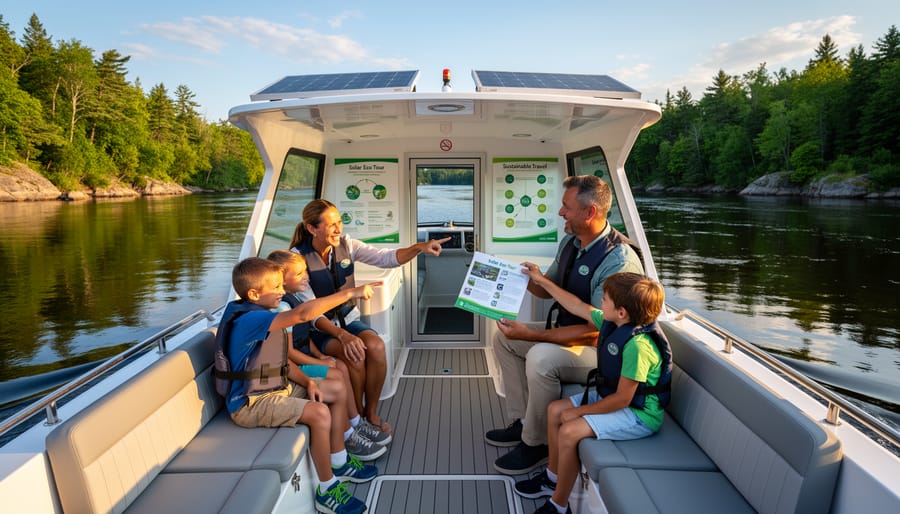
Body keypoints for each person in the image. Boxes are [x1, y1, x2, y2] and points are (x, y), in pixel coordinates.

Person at [486, 175, 645, 475]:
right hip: (571, 334)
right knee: (505, 338)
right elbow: (548, 288)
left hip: (602, 350)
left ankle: (537, 444)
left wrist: (534, 334)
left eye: (566, 207)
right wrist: (514, 277)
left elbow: (597, 329)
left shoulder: (618, 260)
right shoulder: (571, 243)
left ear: (589, 213)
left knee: (540, 357)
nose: (560, 213)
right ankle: (523, 424)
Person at [216, 257, 381, 514]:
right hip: (251, 403)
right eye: (276, 287)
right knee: (319, 412)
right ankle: (327, 490)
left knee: (335, 386)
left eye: (283, 285)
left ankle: (339, 460)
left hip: (277, 387)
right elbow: (304, 313)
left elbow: (279, 363)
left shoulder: (263, 314)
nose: (282, 291)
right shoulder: (251, 321)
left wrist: (307, 382)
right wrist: (351, 293)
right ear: (253, 293)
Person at [513, 271, 671, 514]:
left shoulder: (638, 347)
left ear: (622, 312)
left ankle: (559, 505)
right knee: (554, 410)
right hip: (612, 398)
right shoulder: (614, 322)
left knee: (568, 431)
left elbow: (623, 399)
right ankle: (552, 478)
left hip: (639, 415)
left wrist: (579, 412)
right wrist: (541, 280)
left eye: (605, 299)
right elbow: (576, 305)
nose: (601, 302)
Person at [290, 199, 451, 435]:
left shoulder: (347, 244)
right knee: (354, 354)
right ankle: (358, 421)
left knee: (375, 346)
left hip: (348, 318)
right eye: (331, 224)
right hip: (319, 330)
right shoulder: (297, 259)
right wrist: (343, 336)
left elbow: (386, 258)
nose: (338, 229)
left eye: (340, 222)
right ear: (312, 228)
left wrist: (418, 247)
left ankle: (370, 412)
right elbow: (310, 312)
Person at [267, 249, 392, 460]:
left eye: (305, 271)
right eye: (299, 274)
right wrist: (319, 363)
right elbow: (288, 352)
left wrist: (320, 356)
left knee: (339, 366)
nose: (306, 276)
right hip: (294, 367)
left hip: (304, 358)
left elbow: (303, 338)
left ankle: (355, 423)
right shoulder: (282, 308)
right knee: (335, 372)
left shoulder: (296, 297)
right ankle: (349, 434)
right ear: (281, 279)